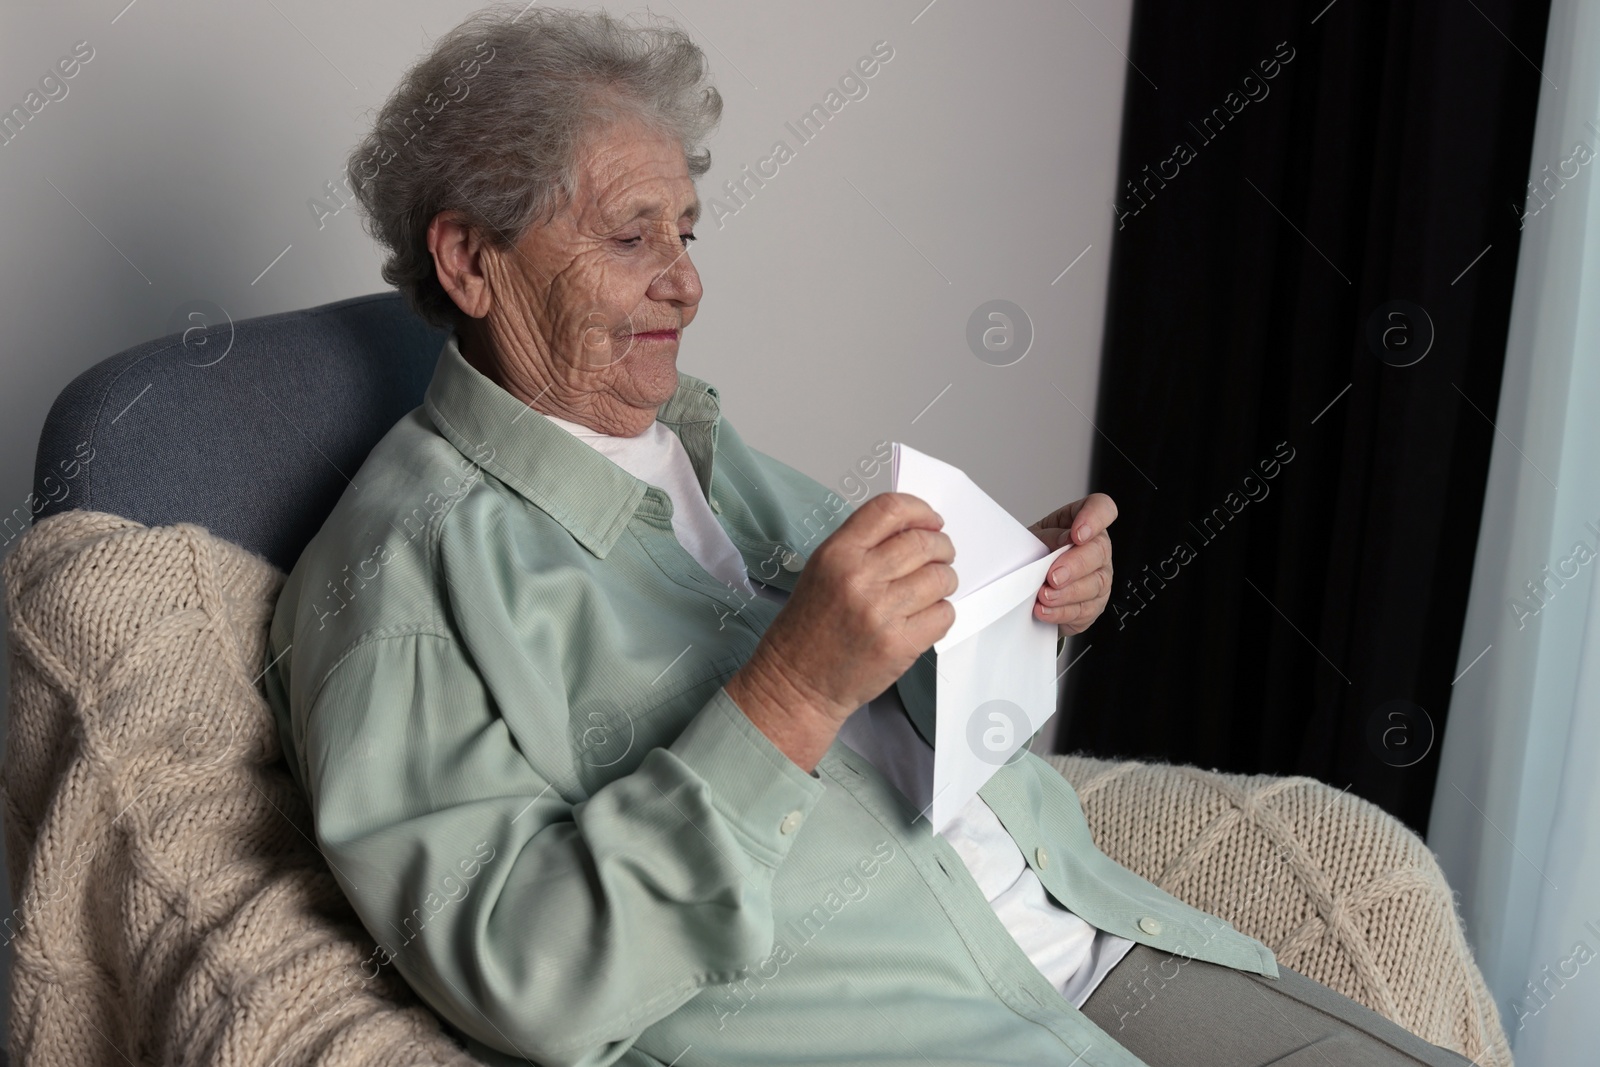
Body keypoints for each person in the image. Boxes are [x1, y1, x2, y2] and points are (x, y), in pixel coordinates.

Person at [262, 6, 1475, 1065]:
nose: (686, 283)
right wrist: (787, 690)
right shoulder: (395, 578)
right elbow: (527, 976)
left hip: (1083, 935)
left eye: (687, 231)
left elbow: (912, 706)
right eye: (633, 235)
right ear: (472, 260)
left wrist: (1014, 592)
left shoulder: (700, 447)